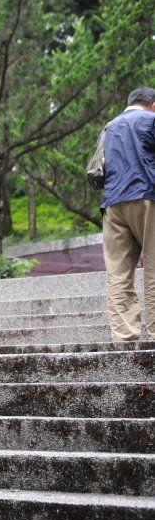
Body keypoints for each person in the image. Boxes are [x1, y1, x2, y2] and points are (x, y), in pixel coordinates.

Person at [101, 86, 155, 341]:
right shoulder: (151, 120)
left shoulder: (109, 127)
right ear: (153, 105)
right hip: (147, 196)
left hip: (113, 204)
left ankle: (124, 338)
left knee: (119, 274)